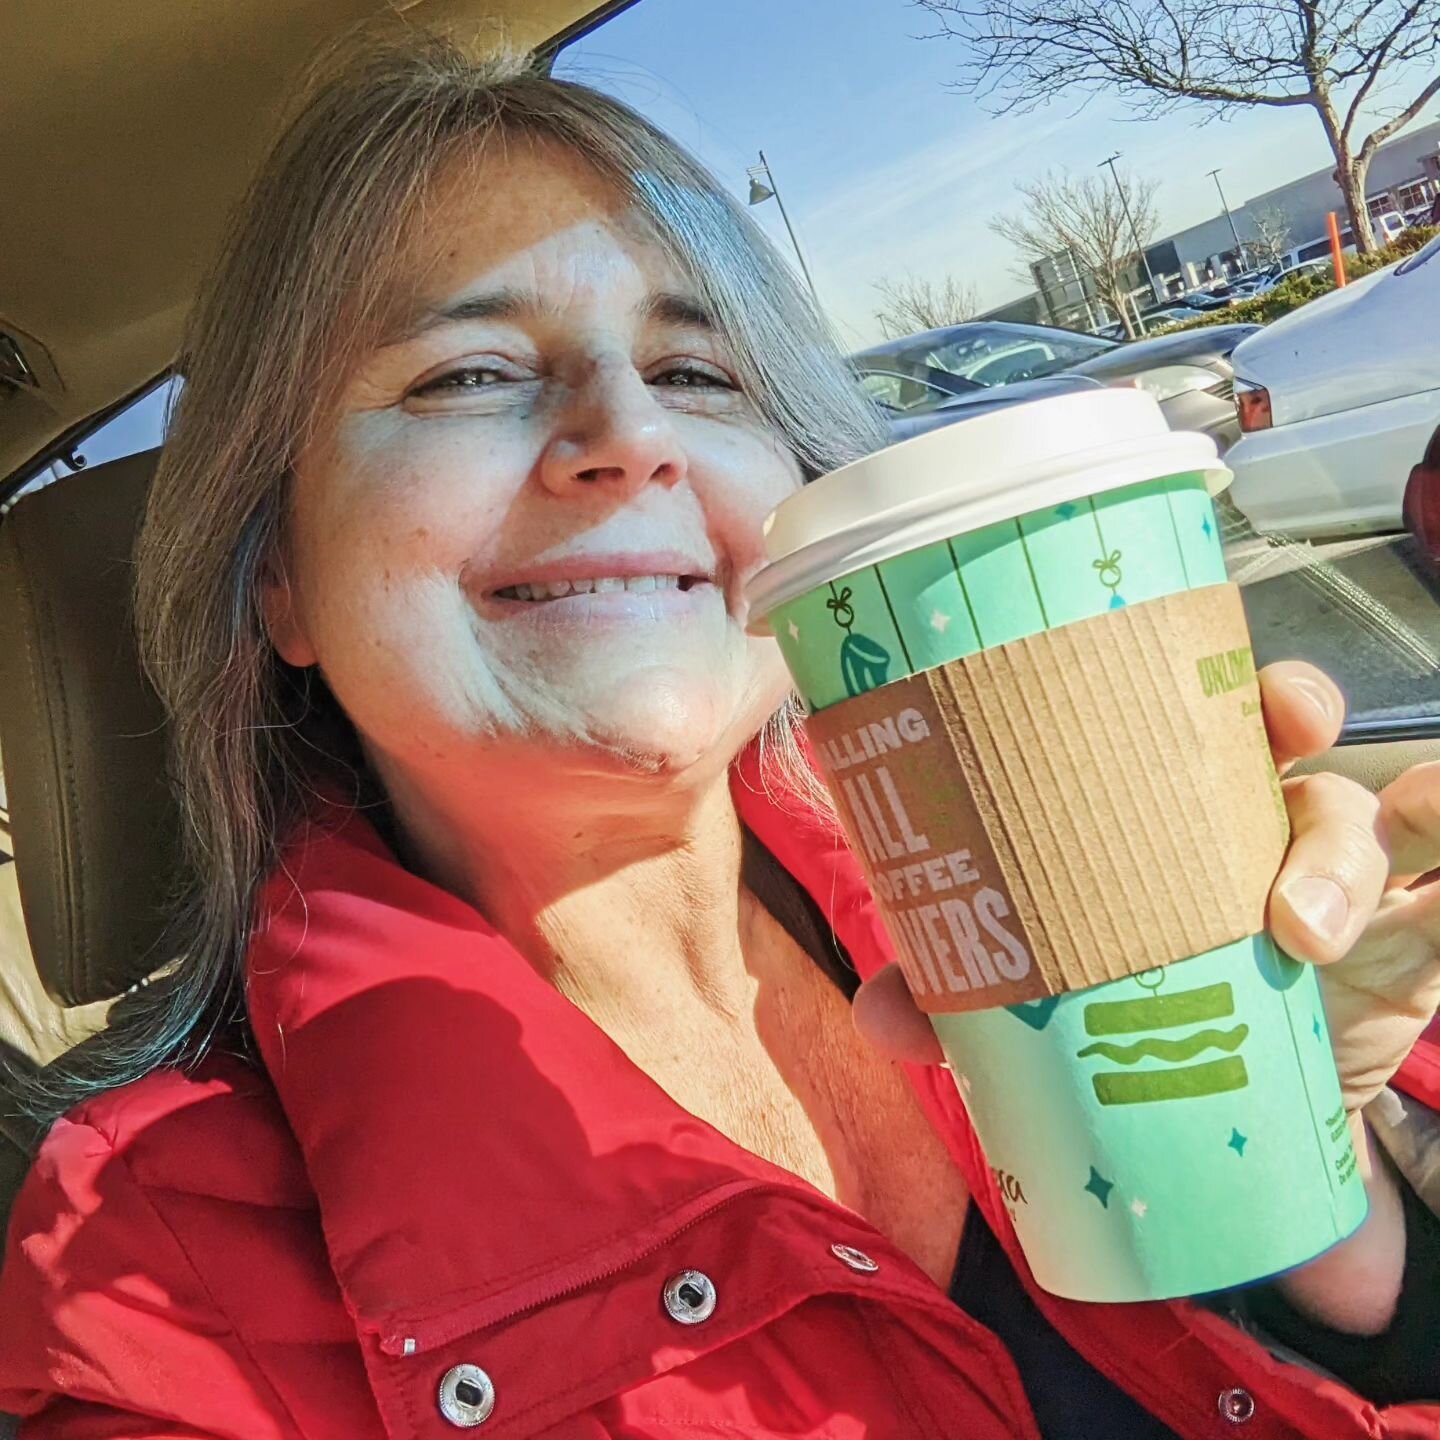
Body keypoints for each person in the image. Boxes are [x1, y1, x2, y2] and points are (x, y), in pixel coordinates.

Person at [2, 34, 1440, 1440]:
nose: (630, 435)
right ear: (281, 580)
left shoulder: (1028, 875)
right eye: (466, 374)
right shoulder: (154, 1282)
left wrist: (1336, 1189)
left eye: (700, 372)